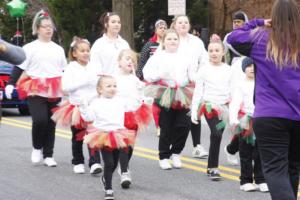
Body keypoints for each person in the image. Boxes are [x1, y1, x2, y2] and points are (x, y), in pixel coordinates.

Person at [227, 0, 300, 199]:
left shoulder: (260, 38)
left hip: (270, 114)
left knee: (276, 170)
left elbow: (232, 38)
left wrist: (258, 22)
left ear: (273, 17)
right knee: (293, 169)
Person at [5, 10, 67, 166]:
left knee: (51, 122)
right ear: (37, 29)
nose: (48, 29)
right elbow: (19, 66)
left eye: (50, 27)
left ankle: (48, 155)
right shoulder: (29, 47)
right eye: (45, 26)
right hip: (35, 87)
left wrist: (70, 87)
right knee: (40, 120)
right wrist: (11, 83)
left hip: (54, 88)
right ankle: (37, 147)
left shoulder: (58, 49)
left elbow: (65, 71)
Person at [80, 75, 140, 200]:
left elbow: (133, 106)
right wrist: (84, 107)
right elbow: (88, 117)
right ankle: (108, 188)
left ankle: (105, 178)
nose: (112, 88)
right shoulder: (96, 103)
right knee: (109, 163)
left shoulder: (120, 100)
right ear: (100, 89)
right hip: (104, 135)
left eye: (114, 85)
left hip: (119, 134)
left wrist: (139, 93)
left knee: (115, 163)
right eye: (108, 86)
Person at [143, 29, 195, 170]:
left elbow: (192, 74)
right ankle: (164, 156)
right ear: (164, 42)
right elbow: (146, 74)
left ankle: (176, 153)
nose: (172, 41)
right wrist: (159, 74)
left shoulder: (185, 57)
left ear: (179, 41)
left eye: (175, 39)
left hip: (183, 93)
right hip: (165, 92)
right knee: (166, 126)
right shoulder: (158, 56)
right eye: (169, 39)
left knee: (184, 125)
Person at [51, 36, 102, 174]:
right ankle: (78, 161)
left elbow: (99, 83)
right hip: (77, 107)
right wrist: (84, 81)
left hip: (93, 104)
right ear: (74, 53)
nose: (86, 53)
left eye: (87, 50)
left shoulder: (94, 66)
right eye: (82, 51)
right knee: (78, 135)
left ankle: (95, 162)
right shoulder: (71, 68)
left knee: (93, 133)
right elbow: (65, 87)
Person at [191, 34, 232, 181]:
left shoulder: (229, 70)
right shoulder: (204, 70)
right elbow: (198, 91)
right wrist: (194, 111)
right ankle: (214, 168)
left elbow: (233, 90)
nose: (214, 53)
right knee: (216, 134)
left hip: (224, 108)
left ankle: (210, 167)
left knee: (217, 137)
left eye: (216, 50)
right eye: (211, 50)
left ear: (223, 52)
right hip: (209, 106)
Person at [172, 15, 209, 159]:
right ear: (175, 25)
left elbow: (204, 59)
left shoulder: (197, 42)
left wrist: (200, 74)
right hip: (174, 83)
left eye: (186, 22)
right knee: (175, 117)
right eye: (180, 22)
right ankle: (173, 146)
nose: (183, 25)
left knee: (195, 112)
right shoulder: (171, 39)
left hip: (193, 82)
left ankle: (197, 146)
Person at [229, 57, 268, 192]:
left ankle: (260, 179)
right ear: (244, 69)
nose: (252, 68)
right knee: (245, 151)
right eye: (249, 66)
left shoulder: (263, 83)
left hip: (262, 119)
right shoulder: (241, 84)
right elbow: (235, 102)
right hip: (246, 120)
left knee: (260, 152)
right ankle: (245, 180)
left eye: (255, 66)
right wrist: (233, 119)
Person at [115, 49, 151, 188]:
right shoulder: (115, 79)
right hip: (119, 114)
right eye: (127, 59)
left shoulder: (136, 80)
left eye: (133, 60)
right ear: (119, 62)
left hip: (134, 115)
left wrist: (145, 97)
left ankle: (124, 165)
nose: (130, 61)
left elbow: (142, 96)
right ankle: (124, 172)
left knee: (130, 145)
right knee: (123, 144)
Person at [223, 11, 250, 166]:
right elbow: (221, 54)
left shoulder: (252, 36)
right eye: (235, 21)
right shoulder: (228, 38)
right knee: (240, 115)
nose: (236, 24)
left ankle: (236, 148)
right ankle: (234, 148)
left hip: (252, 71)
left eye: (239, 22)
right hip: (235, 73)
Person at [136, 19, 167, 137]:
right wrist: (138, 78)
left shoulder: (169, 43)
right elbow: (142, 62)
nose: (162, 29)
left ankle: (165, 125)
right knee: (157, 103)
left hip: (166, 79)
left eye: (164, 28)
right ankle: (159, 126)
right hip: (153, 78)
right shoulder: (149, 45)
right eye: (160, 27)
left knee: (166, 103)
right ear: (155, 30)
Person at [89, 12, 130, 76]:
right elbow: (95, 68)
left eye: (119, 22)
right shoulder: (98, 44)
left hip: (123, 82)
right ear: (106, 24)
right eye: (113, 22)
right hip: (106, 83)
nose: (117, 24)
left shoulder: (124, 44)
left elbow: (129, 64)